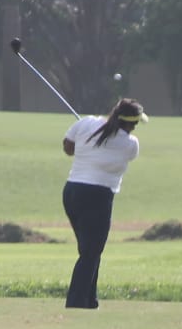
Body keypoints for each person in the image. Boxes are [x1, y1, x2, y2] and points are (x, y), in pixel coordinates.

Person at [61, 98, 147, 309]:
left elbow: (68, 148)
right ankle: (76, 303)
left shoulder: (87, 123)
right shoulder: (130, 144)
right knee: (90, 252)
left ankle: (90, 300)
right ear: (132, 123)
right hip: (97, 195)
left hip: (72, 192)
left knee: (90, 250)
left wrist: (86, 137)